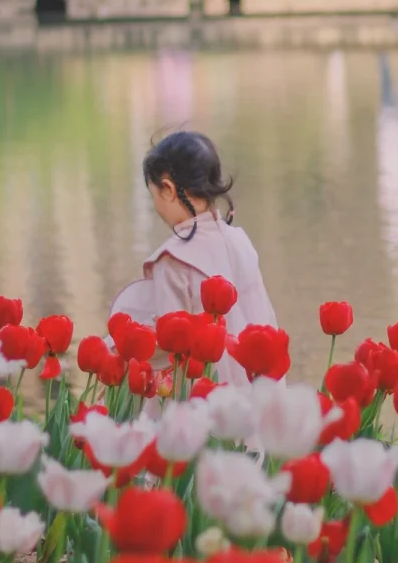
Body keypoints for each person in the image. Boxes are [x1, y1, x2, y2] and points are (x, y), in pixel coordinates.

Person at [109, 131, 276, 387]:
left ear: (168, 189)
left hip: (202, 404)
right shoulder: (241, 242)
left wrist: (119, 347)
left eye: (153, 194)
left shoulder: (174, 260)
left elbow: (170, 349)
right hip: (255, 394)